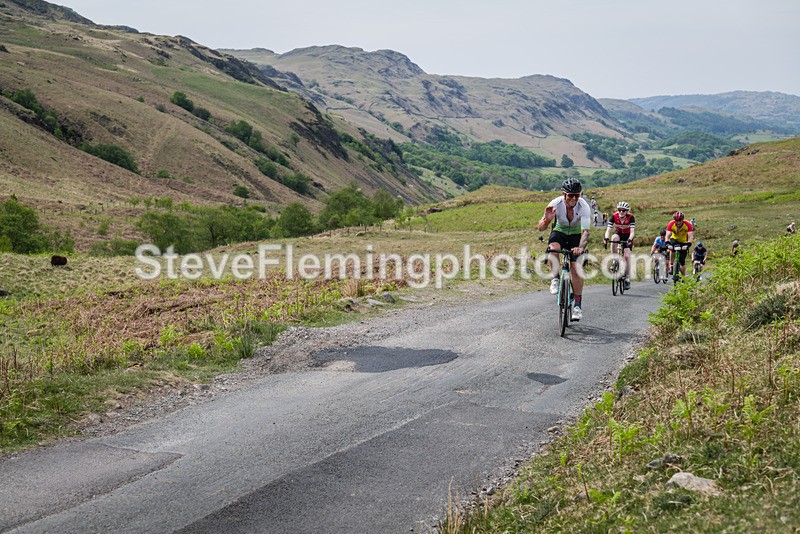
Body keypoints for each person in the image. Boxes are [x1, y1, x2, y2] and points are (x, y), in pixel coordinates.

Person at [537, 178, 591, 321]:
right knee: (553, 249)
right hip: (559, 232)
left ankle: (578, 306)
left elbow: (585, 232)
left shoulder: (584, 207)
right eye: (570, 195)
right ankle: (555, 278)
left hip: (576, 236)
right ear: (563, 194)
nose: (573, 198)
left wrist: (580, 248)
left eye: (577, 195)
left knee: (576, 269)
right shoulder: (555, 204)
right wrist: (547, 220)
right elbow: (541, 228)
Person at [603, 201, 635, 290]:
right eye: (619, 210)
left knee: (627, 257)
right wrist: (606, 238)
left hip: (627, 236)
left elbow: (632, 232)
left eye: (623, 210)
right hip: (618, 234)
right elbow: (608, 229)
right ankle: (614, 260)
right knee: (613, 239)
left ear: (627, 211)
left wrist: (630, 239)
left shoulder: (631, 217)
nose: (621, 212)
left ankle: (627, 278)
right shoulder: (614, 216)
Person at [665, 211, 694, 281]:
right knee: (672, 248)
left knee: (682, 261)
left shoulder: (688, 224)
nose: (678, 222)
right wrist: (667, 243)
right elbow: (667, 235)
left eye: (680, 220)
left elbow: (690, 236)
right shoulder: (671, 224)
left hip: (684, 242)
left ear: (682, 219)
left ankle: (684, 277)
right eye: (676, 220)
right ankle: (671, 265)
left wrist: (688, 245)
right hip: (674, 239)